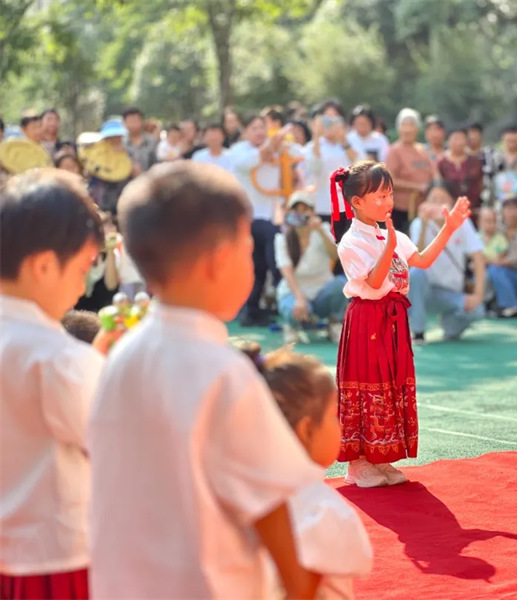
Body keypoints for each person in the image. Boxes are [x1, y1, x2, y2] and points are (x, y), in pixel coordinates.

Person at [89, 161, 324, 599]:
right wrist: (299, 589)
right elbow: (271, 506)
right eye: (246, 249)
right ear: (220, 259)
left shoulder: (123, 354)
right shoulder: (222, 371)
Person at [0, 169, 113, 600]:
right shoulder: (57, 357)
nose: (84, 285)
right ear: (45, 264)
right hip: (56, 559)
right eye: (84, 267)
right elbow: (107, 442)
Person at [335, 161, 471, 487]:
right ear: (357, 202)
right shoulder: (351, 242)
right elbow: (373, 280)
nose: (387, 202)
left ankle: (380, 458)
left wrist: (449, 228)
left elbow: (422, 260)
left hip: (393, 319)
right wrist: (389, 247)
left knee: (390, 385)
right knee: (366, 384)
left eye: (389, 194)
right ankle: (358, 463)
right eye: (379, 196)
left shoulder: (389, 232)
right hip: (367, 317)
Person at [242, 347, 373, 600]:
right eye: (334, 416)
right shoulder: (320, 509)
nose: (342, 425)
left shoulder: (235, 495)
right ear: (306, 430)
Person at [408, 183, 486, 344]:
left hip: (451, 293)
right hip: (424, 291)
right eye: (433, 199)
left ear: (451, 202)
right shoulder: (418, 223)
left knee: (477, 310)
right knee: (415, 273)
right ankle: (418, 331)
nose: (437, 204)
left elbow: (478, 257)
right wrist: (423, 224)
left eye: (442, 199)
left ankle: (449, 326)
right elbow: (417, 258)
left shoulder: (462, 223)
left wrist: (478, 295)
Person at [229, 114, 285, 327]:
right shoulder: (239, 151)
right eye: (254, 127)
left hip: (272, 214)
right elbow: (249, 163)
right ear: (245, 132)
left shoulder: (277, 148)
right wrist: (272, 145)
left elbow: (297, 154)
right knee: (258, 264)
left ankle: (257, 309)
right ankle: (252, 308)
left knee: (262, 264)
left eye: (262, 127)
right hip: (247, 217)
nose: (259, 132)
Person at [275, 190, 347, 344]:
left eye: (305, 209)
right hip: (294, 292)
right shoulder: (281, 238)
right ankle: (292, 326)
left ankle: (334, 323)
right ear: (289, 213)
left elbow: (335, 256)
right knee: (292, 307)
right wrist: (300, 298)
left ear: (313, 212)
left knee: (343, 284)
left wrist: (320, 230)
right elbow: (286, 272)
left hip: (321, 291)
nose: (301, 214)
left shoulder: (324, 229)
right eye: (296, 210)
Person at [303, 100, 364, 241]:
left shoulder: (352, 142)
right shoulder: (312, 147)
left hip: (348, 208)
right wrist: (317, 137)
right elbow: (314, 169)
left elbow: (361, 167)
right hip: (321, 207)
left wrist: (343, 141)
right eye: (326, 119)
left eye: (335, 119)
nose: (330, 123)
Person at [385, 108, 438, 233]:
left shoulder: (424, 150)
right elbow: (390, 180)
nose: (408, 129)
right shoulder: (394, 151)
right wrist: (418, 187)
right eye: (404, 125)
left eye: (411, 125)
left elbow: (434, 172)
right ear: (399, 128)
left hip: (424, 208)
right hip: (402, 210)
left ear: (417, 128)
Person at [74, 212, 120, 312]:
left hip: (104, 311)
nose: (113, 229)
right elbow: (85, 290)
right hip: (81, 312)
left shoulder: (113, 254)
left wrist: (110, 251)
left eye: (112, 225)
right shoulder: (80, 254)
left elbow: (111, 286)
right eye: (107, 226)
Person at [437, 127, 484, 221]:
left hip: (473, 209)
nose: (458, 142)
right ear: (448, 141)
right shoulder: (442, 162)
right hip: (449, 210)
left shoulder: (475, 161)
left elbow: (480, 184)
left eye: (461, 138)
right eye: (455, 139)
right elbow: (439, 185)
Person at [487, 125, 517, 205]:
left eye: (513, 141)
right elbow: (491, 182)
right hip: (499, 201)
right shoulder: (495, 158)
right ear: (503, 139)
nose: (511, 143)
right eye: (508, 140)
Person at [122, 106, 158, 175]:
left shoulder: (152, 141)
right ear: (124, 123)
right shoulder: (121, 143)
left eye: (135, 121)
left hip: (149, 182)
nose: (133, 124)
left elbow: (158, 165)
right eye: (130, 121)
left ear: (142, 122)